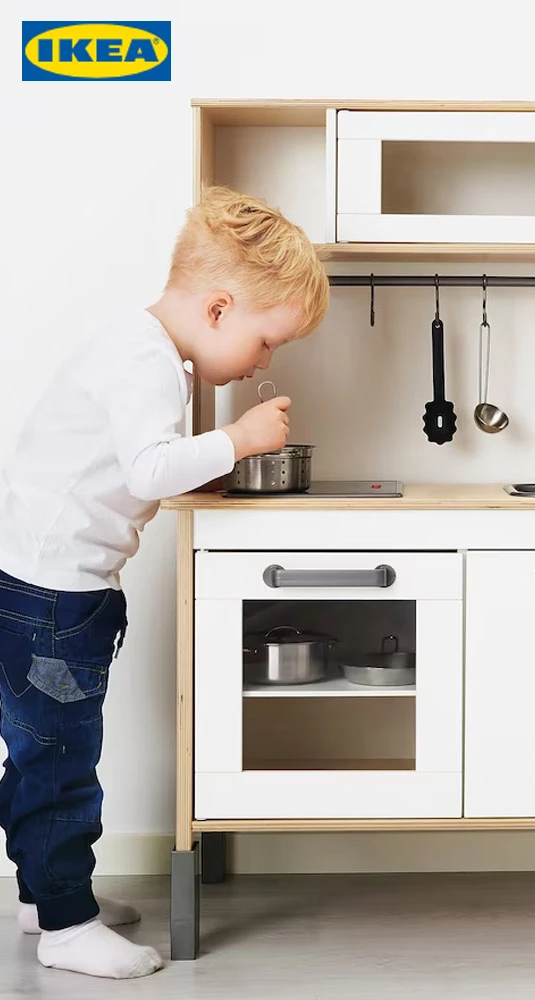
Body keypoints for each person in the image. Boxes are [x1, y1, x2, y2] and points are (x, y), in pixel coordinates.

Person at [0, 186, 329, 978]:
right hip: (53, 603)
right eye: (265, 342)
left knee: (40, 753)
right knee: (59, 761)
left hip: (36, 589)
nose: (263, 361)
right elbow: (149, 466)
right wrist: (238, 438)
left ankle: (46, 897)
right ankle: (67, 926)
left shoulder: (137, 346)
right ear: (218, 309)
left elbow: (132, 465)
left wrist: (200, 466)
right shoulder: (146, 359)